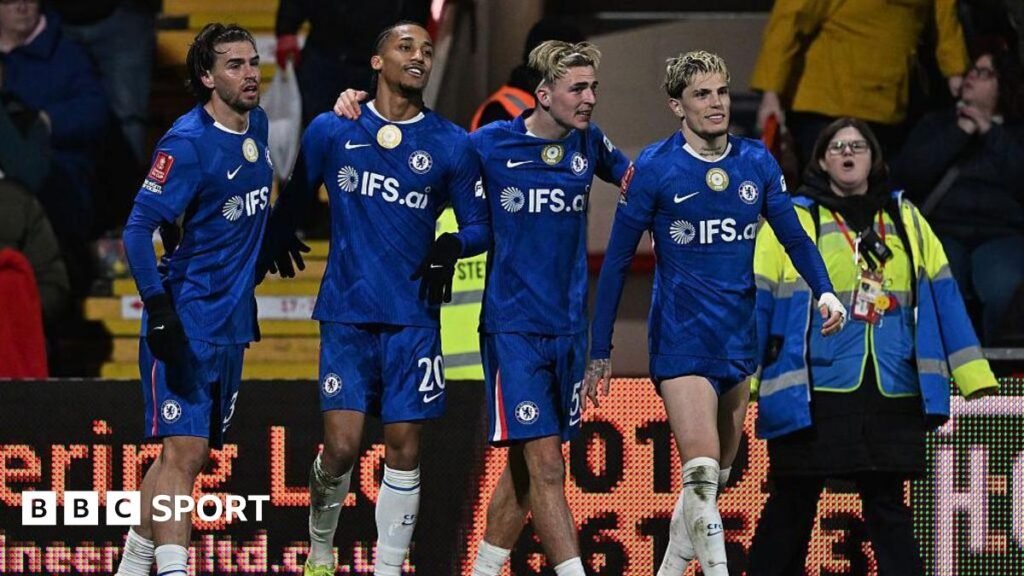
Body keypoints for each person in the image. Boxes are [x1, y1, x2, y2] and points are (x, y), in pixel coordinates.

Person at [337, 38, 631, 575]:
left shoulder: (591, 145)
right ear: (544, 94)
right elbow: (418, 155)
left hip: (569, 331)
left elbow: (644, 180)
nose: (590, 98)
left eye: (593, 87)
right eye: (578, 89)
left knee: (524, 469)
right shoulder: (488, 145)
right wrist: (357, 109)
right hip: (512, 331)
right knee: (547, 466)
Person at [587, 51, 846, 576]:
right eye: (702, 94)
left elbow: (795, 236)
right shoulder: (655, 169)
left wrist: (826, 290)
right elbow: (615, 263)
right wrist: (599, 350)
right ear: (676, 105)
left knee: (713, 482)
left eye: (722, 91)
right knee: (702, 475)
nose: (716, 103)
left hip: (736, 341)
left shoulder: (756, 162)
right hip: (681, 341)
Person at [262, 21, 490, 576]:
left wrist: (452, 244)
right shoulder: (333, 129)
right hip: (347, 313)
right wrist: (279, 229)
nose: (419, 57)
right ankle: (321, 548)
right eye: (405, 47)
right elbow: (297, 193)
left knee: (404, 449)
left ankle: (389, 568)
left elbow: (481, 225)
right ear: (376, 61)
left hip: (415, 319)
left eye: (427, 50)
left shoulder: (451, 143)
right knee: (341, 448)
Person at [748, 118, 999, 575]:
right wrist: (745, 378)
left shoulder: (906, 219)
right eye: (837, 146)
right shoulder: (793, 219)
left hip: (891, 389)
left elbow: (944, 295)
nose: (848, 153)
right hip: (812, 392)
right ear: (821, 160)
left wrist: (973, 374)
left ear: (874, 159)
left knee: (888, 509)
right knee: (792, 503)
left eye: (858, 146)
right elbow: (757, 301)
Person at [116, 23, 272, 576]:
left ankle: (131, 568)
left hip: (231, 320)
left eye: (252, 62)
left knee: (187, 455)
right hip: (186, 319)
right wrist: (158, 308)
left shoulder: (258, 126)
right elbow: (137, 230)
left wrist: (271, 235)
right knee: (184, 454)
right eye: (234, 65)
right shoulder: (186, 144)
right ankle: (174, 570)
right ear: (207, 77)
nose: (249, 73)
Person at [891, 43, 1024, 344]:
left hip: (1002, 234)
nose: (972, 76)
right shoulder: (937, 123)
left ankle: (997, 363)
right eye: (971, 70)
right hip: (943, 230)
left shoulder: (1015, 132)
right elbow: (908, 175)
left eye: (985, 73)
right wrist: (959, 132)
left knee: (1002, 286)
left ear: (1004, 84)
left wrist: (989, 131)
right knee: (942, 285)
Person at [750, 0, 969, 165]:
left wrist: (956, 72)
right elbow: (791, 17)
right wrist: (771, 92)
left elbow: (945, 20)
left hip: (889, 109)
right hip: (827, 105)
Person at [0, 0, 107, 294]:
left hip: (57, 177)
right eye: (9, 0)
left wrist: (48, 122)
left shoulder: (67, 54)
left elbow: (95, 111)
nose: (21, 6)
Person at [274, 0, 430, 127]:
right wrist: (287, 28)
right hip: (323, 53)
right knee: (315, 131)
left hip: (375, 60)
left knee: (372, 134)